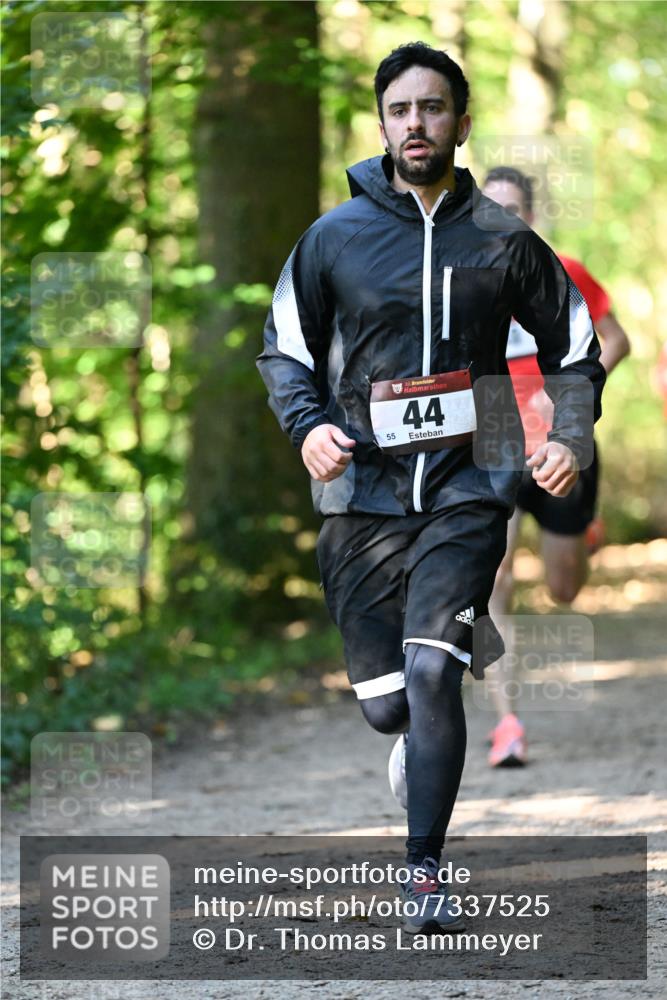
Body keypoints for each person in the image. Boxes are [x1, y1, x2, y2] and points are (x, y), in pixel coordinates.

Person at [257, 42, 605, 934]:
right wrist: (309, 431)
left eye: (433, 108)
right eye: (401, 110)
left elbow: (570, 343)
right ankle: (426, 699)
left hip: (474, 470)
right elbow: (286, 351)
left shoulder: (502, 235)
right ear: (382, 122)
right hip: (361, 492)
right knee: (385, 708)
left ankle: (423, 870)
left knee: (429, 671)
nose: (417, 124)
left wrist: (566, 433)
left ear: (460, 120)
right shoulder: (333, 237)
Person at [481, 166, 630, 768]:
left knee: (564, 588)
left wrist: (572, 396)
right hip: (494, 432)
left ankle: (582, 536)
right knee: (495, 580)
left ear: (532, 216)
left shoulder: (565, 272)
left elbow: (616, 339)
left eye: (512, 209)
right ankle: (507, 723)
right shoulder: (463, 279)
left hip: (564, 440)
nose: (501, 221)